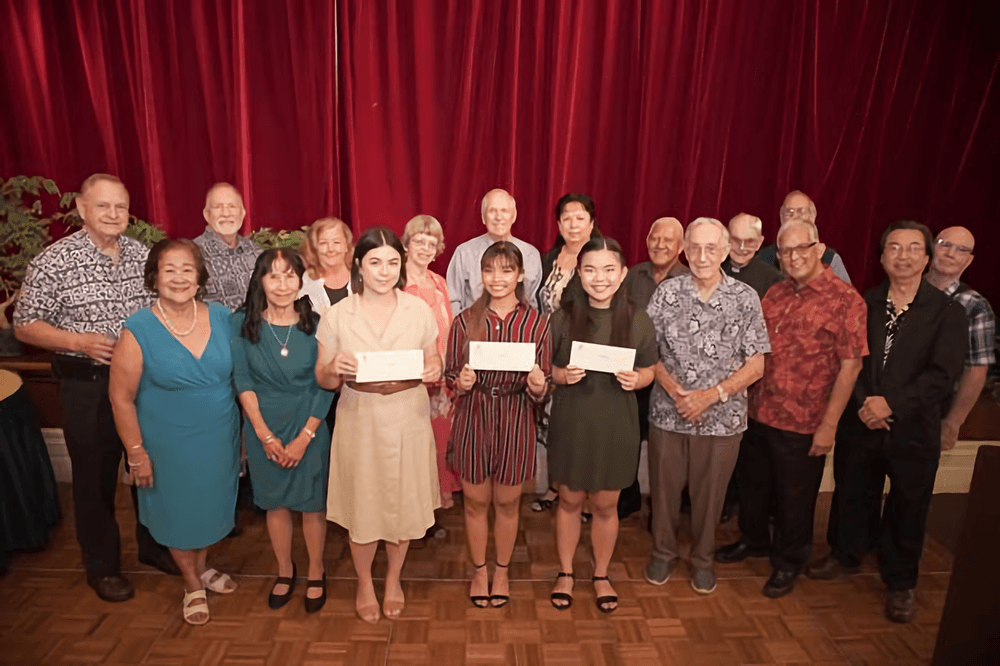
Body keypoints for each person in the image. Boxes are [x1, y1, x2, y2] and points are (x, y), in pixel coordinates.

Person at [13, 174, 177, 603]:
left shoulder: (142, 255)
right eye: (103, 206)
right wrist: (77, 341)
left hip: (144, 385)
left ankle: (154, 546)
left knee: (148, 468)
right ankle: (102, 566)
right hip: (87, 385)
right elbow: (24, 323)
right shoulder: (54, 260)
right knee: (93, 479)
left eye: (121, 207)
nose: (113, 214)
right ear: (82, 209)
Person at [808, 220, 966, 624]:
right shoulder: (865, 302)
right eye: (894, 248)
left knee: (908, 505)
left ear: (927, 257)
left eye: (913, 248)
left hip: (913, 428)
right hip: (861, 421)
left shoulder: (947, 312)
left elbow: (942, 375)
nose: (904, 255)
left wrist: (891, 404)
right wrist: (865, 403)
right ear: (881, 257)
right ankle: (845, 554)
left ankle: (900, 581)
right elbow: (850, 360)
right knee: (852, 492)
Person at [715, 220, 867, 598]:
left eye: (802, 248)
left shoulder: (846, 300)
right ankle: (753, 540)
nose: (794, 257)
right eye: (786, 251)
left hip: (804, 421)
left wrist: (829, 424)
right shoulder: (776, 293)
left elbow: (851, 367)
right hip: (758, 411)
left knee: (795, 498)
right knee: (753, 488)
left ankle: (788, 561)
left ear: (820, 248)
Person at [109, 239, 241, 625]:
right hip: (166, 444)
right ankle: (191, 583)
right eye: (169, 269)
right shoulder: (138, 330)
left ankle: (201, 567)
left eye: (187, 269)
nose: (179, 277)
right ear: (154, 277)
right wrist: (136, 452)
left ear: (200, 278)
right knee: (177, 515)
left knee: (209, 510)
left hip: (219, 437)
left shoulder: (222, 318)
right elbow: (120, 398)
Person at [315, 227, 442, 624]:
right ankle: (365, 582)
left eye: (392, 263)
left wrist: (435, 367)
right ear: (359, 266)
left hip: (409, 419)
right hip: (360, 421)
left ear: (402, 265)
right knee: (364, 505)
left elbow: (433, 363)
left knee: (403, 505)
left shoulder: (418, 309)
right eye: (375, 262)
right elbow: (322, 377)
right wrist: (333, 368)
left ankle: (393, 579)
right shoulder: (338, 314)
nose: (384, 272)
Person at [644, 217, 770, 594]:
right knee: (664, 494)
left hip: (722, 418)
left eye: (711, 248)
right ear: (684, 249)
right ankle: (663, 554)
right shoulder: (666, 293)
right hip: (669, 413)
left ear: (726, 251)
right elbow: (646, 349)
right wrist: (674, 390)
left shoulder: (745, 297)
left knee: (711, 495)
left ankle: (702, 559)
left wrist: (711, 396)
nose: (701, 256)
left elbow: (757, 364)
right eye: (694, 247)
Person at [548, 237, 657, 613]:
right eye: (591, 269)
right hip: (573, 422)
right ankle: (565, 572)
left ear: (623, 272)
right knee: (570, 499)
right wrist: (561, 375)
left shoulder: (638, 317)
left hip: (616, 424)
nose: (600, 278)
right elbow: (545, 368)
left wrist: (638, 380)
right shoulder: (563, 316)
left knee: (607, 505)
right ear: (579, 272)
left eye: (609, 269)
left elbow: (650, 367)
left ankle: (601, 573)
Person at [445, 241, 550, 609]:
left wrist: (538, 385)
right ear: (480, 276)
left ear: (520, 275)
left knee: (507, 502)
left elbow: (544, 382)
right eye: (489, 270)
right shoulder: (465, 320)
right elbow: (450, 376)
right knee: (474, 502)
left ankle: (501, 570)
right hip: (474, 415)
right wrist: (462, 383)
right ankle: (479, 570)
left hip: (516, 416)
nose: (497, 278)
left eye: (507, 270)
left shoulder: (536, 322)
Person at [232, 250, 334, 613]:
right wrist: (263, 434)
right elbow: (242, 379)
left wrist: (304, 437)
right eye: (273, 276)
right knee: (275, 504)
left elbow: (325, 385)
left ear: (301, 280)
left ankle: (317, 570)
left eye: (290, 276)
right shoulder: (242, 324)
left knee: (311, 506)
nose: (282, 284)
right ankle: (285, 569)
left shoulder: (319, 323)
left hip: (309, 424)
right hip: (264, 427)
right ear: (260, 280)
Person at [531, 193, 601, 513]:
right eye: (567, 218)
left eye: (580, 217)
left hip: (584, 354)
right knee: (554, 424)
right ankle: (555, 488)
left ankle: (583, 498)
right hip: (548, 351)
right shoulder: (548, 258)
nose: (573, 224)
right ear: (558, 225)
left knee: (582, 427)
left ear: (591, 223)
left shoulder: (600, 255)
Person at [618, 216, 689, 519]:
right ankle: (627, 495)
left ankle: (668, 507)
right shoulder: (634, 275)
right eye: (654, 238)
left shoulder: (690, 280)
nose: (659, 245)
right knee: (627, 439)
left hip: (673, 380)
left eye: (668, 240)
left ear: (681, 246)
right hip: (635, 374)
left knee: (668, 450)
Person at [719, 213, 784, 522]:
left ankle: (739, 506)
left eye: (750, 241)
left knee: (747, 454)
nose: (741, 247)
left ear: (760, 243)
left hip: (752, 382)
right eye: (735, 240)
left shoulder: (773, 281)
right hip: (707, 382)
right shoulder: (710, 270)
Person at [402, 215, 462, 511]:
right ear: (407, 244)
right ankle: (415, 503)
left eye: (431, 243)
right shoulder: (396, 281)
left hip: (441, 379)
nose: (425, 248)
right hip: (407, 379)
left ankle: (438, 497)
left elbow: (449, 328)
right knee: (411, 446)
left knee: (439, 443)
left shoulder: (438, 282)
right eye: (418, 241)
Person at [926, 227, 996, 451]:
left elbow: (976, 369)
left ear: (969, 260)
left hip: (931, 416)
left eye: (961, 250)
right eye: (944, 244)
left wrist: (954, 422)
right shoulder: (900, 289)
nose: (950, 254)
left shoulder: (974, 305)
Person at [446, 189, 543, 315]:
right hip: (473, 327)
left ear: (513, 216)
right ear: (483, 217)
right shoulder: (464, 252)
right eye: (492, 211)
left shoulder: (530, 254)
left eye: (504, 211)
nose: (498, 217)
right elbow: (453, 300)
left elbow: (531, 302)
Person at [193, 183, 263, 311]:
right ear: (207, 214)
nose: (226, 213)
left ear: (242, 213)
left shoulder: (257, 253)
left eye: (232, 206)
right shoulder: (193, 254)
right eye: (218, 207)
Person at [758, 191, 851, 283]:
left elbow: (846, 296)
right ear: (782, 217)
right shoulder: (764, 258)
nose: (795, 218)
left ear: (813, 215)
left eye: (801, 212)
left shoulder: (829, 258)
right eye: (789, 213)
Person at [299, 217, 354, 316]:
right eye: (323, 243)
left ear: (347, 246)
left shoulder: (363, 278)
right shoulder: (303, 283)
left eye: (336, 242)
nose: (330, 249)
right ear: (314, 248)